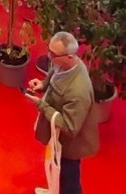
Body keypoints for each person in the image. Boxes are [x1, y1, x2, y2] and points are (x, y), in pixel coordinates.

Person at [27, 32, 100, 194]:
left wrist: (42, 105)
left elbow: (70, 127)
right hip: (58, 137)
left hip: (70, 146)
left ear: (69, 57)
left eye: (53, 54)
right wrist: (43, 85)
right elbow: (54, 73)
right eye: (49, 50)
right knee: (56, 171)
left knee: (69, 179)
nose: (48, 56)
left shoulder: (78, 91)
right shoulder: (62, 62)